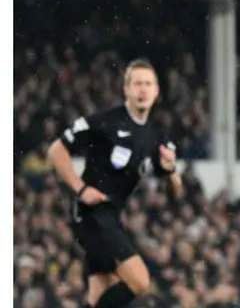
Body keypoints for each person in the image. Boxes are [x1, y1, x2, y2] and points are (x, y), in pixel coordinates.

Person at [46, 59, 183, 308]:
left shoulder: (157, 138)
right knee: (140, 282)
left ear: (157, 91)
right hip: (90, 214)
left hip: (111, 216)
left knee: (100, 298)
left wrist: (171, 172)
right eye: (137, 84)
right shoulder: (105, 122)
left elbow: (174, 195)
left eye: (148, 84)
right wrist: (81, 188)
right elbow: (56, 150)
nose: (142, 90)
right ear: (126, 89)